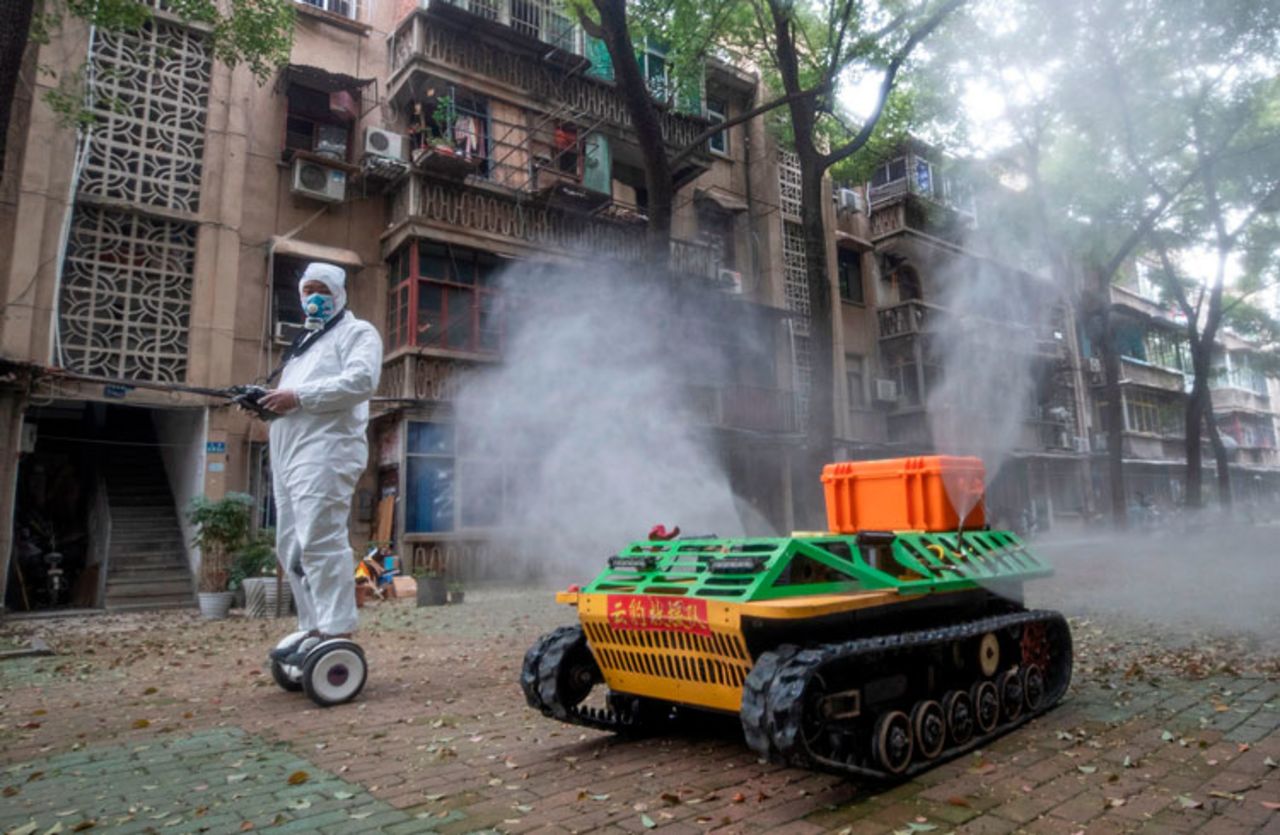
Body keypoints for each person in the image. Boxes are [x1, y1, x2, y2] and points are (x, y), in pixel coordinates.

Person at [259, 262, 382, 666]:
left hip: (326, 450)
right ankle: (313, 624)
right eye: (307, 289)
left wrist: (296, 397)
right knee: (291, 543)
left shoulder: (357, 333)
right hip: (288, 451)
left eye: (322, 290)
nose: (313, 298)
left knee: (319, 538)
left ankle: (337, 629)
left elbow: (361, 381)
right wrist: (268, 404)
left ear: (339, 293)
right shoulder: (302, 345)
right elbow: (293, 396)